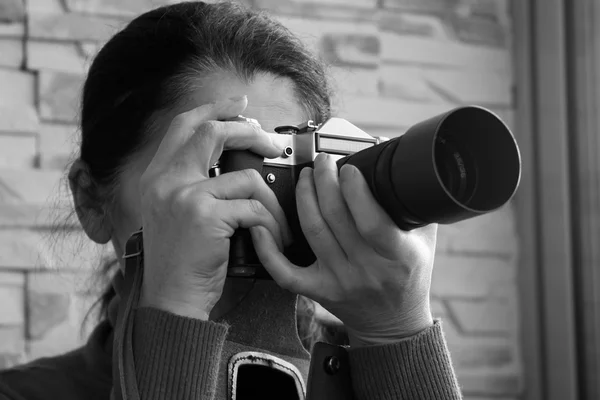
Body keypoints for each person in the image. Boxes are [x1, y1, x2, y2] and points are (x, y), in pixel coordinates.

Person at [0, 2, 462, 399]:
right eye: (217, 169)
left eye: (280, 170)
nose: (252, 202)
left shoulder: (372, 368)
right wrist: (175, 316)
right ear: (91, 202)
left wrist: (397, 335)